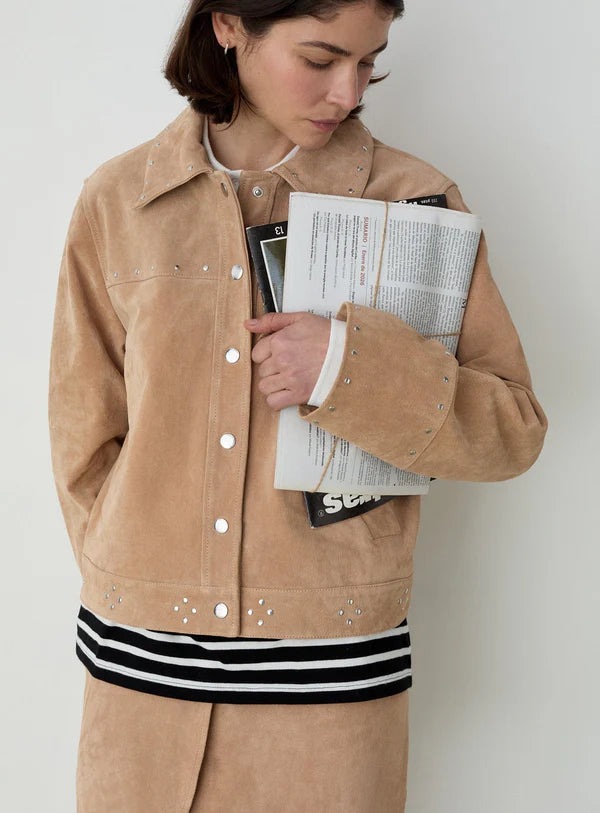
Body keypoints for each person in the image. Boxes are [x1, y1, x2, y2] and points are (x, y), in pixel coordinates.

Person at [47, 0, 548, 810]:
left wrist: (348, 368)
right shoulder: (118, 203)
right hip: (141, 688)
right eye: (320, 60)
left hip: (329, 697)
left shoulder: (413, 198)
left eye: (369, 62)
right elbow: (84, 433)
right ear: (228, 26)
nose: (347, 93)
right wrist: (128, 569)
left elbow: (512, 430)